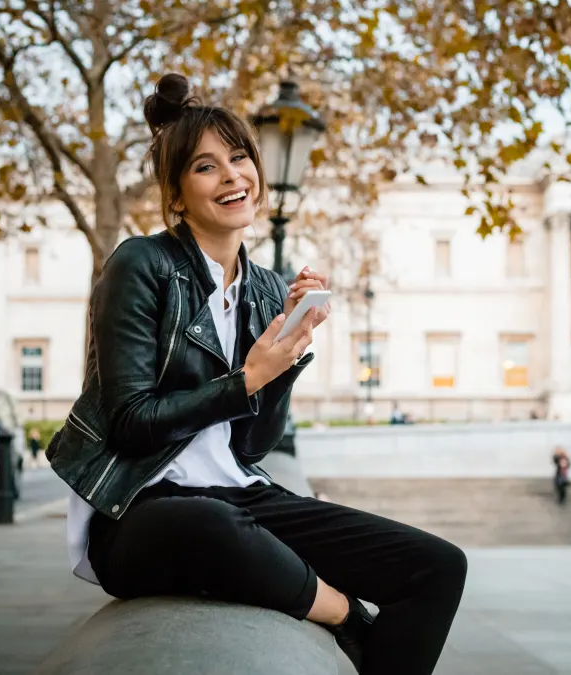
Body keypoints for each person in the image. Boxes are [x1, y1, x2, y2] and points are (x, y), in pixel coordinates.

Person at [43, 74, 466, 675]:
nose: (232, 177)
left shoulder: (264, 287)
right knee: (211, 523)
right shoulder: (143, 265)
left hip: (240, 495)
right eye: (207, 167)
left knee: (439, 566)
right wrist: (245, 378)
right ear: (178, 195)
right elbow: (131, 423)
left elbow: (253, 445)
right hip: (137, 511)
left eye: (240, 159)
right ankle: (351, 619)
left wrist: (286, 358)